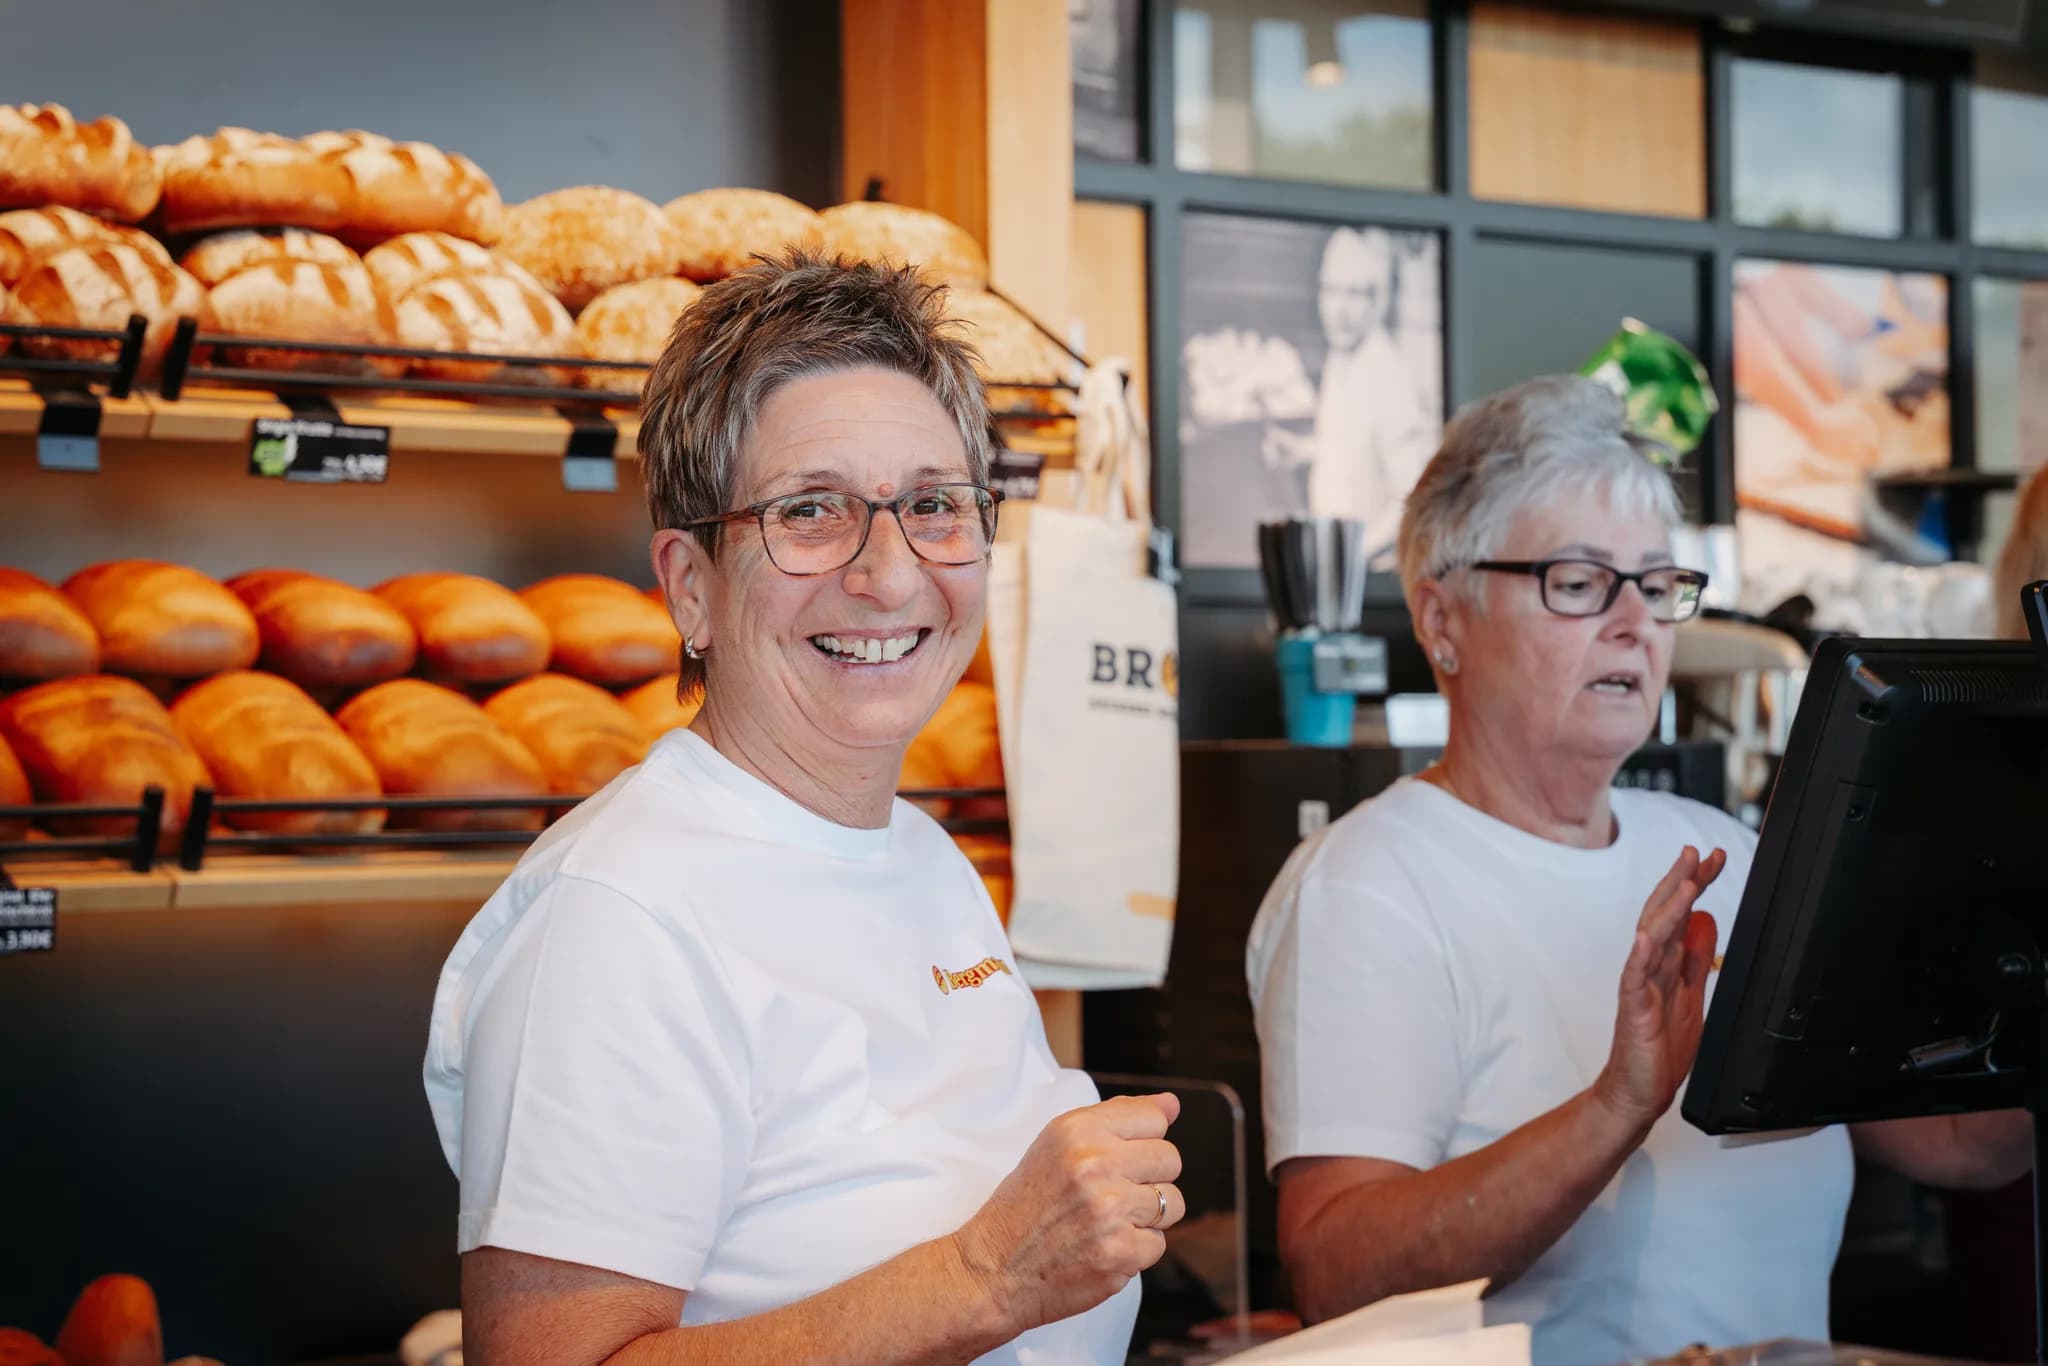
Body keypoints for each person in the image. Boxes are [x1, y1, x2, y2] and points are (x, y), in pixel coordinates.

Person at [424, 252, 1184, 1365]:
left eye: (932, 503)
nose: (887, 573)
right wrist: (982, 1275)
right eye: (810, 511)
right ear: (691, 585)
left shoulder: (925, 860)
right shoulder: (613, 920)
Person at [1246, 374, 2032, 1364]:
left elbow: (1958, 1145)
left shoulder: (1726, 856)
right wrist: (1615, 1105)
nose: (1633, 622)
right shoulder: (1366, 884)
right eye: (1576, 583)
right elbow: (1334, 1273)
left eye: (1656, 584)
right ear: (1439, 618)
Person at [1260, 227, 1438, 559]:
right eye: (1331, 290)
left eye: (1354, 294)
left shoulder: (1388, 376)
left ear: (1377, 300)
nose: (1339, 309)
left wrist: (1355, 557)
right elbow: (1351, 444)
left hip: (1365, 575)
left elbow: (1413, 495)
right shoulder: (1341, 355)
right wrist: (1302, 450)